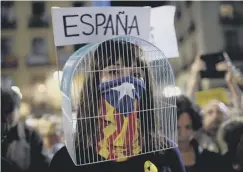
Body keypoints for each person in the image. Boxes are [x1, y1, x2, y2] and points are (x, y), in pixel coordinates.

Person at [50, 40, 186, 172]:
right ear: (95, 82)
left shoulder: (166, 153)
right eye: (114, 72)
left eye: (136, 74)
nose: (128, 82)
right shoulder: (68, 160)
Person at [1, 89, 49, 172]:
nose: (5, 115)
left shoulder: (31, 135)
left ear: (18, 109)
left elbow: (42, 165)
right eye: (3, 111)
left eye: (9, 110)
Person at [176, 95, 225, 172]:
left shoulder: (209, 157)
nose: (182, 133)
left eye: (188, 127)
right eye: (177, 127)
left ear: (194, 127)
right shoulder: (162, 158)